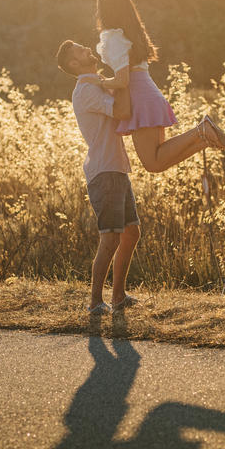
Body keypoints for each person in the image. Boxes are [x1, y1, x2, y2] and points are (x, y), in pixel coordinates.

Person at [90, 0, 225, 171]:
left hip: (141, 99)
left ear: (107, 10)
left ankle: (201, 130)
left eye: (99, 8)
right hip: (149, 93)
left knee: (152, 163)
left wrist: (99, 82)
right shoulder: (132, 34)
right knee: (158, 161)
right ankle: (205, 139)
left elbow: (122, 81)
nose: (97, 13)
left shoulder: (114, 37)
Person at [56, 39, 140, 314]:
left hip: (116, 167)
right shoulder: (86, 91)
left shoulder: (99, 84)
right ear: (74, 64)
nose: (88, 49)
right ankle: (95, 301)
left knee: (131, 232)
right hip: (104, 171)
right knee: (111, 237)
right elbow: (123, 111)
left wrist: (116, 80)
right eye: (81, 51)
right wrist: (122, 76)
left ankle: (118, 296)